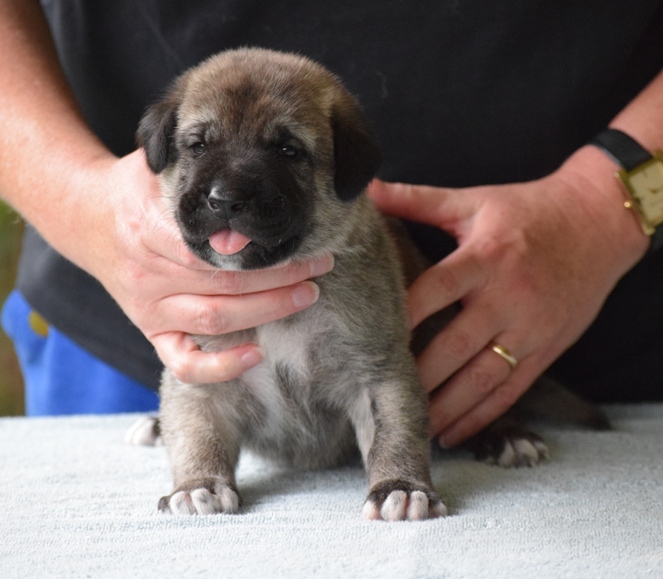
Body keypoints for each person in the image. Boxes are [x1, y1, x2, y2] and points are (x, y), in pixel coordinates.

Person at [1, 1, 662, 448]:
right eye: (200, 145)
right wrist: (72, 194)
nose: (230, 187)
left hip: (586, 299)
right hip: (129, 314)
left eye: (288, 151)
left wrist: (603, 203)